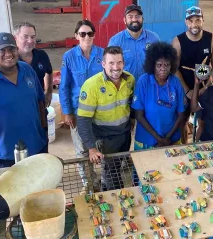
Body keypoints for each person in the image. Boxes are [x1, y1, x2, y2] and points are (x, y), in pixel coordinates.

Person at [0, 33, 47, 177]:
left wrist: (44, 128)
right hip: (6, 155)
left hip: (37, 146)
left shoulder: (26, 69)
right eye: (2, 50)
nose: (8, 54)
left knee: (41, 191)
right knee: (11, 197)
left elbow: (39, 99)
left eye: (11, 49)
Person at [77, 46, 134, 191]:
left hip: (125, 135)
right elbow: (83, 120)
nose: (116, 67)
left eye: (119, 62)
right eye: (111, 63)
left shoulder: (129, 80)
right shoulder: (91, 86)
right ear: (103, 64)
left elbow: (131, 105)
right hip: (105, 139)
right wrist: (91, 148)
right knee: (112, 174)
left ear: (123, 63)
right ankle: (116, 197)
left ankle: (106, 186)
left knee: (116, 167)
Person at [59, 20, 104, 188]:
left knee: (100, 145)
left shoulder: (102, 54)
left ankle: (104, 179)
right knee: (82, 149)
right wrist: (67, 111)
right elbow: (64, 86)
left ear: (94, 35)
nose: (87, 37)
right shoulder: (69, 57)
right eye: (82, 34)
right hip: (78, 111)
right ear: (76, 36)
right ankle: (89, 182)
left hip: (100, 110)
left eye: (90, 33)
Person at [172, 6, 213, 143]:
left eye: (198, 20)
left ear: (203, 21)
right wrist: (187, 91)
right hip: (184, 88)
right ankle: (184, 145)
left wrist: (205, 88)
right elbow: (174, 68)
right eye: (191, 21)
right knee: (182, 120)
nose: (194, 24)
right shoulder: (178, 41)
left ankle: (198, 146)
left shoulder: (211, 39)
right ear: (186, 22)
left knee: (204, 120)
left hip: (205, 88)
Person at [132, 42, 186, 150]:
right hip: (146, 140)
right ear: (152, 65)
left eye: (167, 65)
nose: (163, 68)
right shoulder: (144, 81)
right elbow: (139, 115)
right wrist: (159, 139)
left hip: (172, 139)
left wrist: (167, 138)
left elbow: (181, 115)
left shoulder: (176, 83)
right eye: (159, 65)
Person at [14, 22, 53, 150]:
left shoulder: (41, 55)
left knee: (42, 143)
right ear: (15, 38)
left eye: (33, 37)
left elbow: (49, 71)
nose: (30, 41)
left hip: (39, 109)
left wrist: (48, 91)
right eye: (25, 37)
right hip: (19, 112)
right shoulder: (10, 60)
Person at [108, 4, 160, 83]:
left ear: (142, 19)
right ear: (125, 20)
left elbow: (160, 63)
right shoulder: (116, 41)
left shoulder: (154, 38)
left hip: (148, 86)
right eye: (130, 17)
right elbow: (110, 68)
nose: (134, 19)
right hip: (125, 89)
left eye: (138, 16)